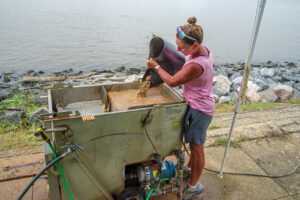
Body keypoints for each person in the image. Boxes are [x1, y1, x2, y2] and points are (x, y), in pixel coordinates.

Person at [146, 16, 215, 200]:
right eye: (177, 45)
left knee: (197, 148)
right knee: (193, 145)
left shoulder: (196, 65)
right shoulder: (203, 49)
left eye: (182, 48)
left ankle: (194, 186)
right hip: (195, 102)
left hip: (201, 109)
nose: (178, 50)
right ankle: (190, 170)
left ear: (193, 46)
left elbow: (173, 81)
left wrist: (156, 66)